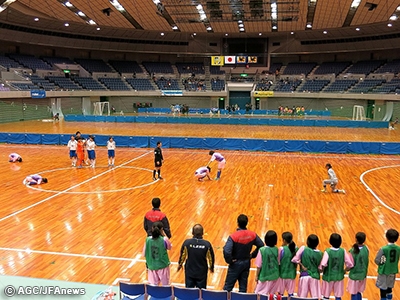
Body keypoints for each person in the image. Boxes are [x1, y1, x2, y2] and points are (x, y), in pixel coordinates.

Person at [223, 214, 264, 293]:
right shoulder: (252, 235)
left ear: (237, 223)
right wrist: (252, 255)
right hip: (246, 262)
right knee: (243, 288)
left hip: (235, 263)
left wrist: (230, 260)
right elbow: (261, 245)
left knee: (228, 288)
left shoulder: (233, 236)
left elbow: (226, 251)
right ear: (247, 223)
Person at [177, 224, 215, 289]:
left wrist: (180, 265)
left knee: (189, 291)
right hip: (201, 272)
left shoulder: (187, 243)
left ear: (192, 233)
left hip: (190, 272)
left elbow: (182, 256)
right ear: (202, 233)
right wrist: (211, 267)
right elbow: (211, 258)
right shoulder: (207, 244)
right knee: (201, 292)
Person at [319, 233, 354, 300]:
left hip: (328, 277)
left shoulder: (328, 251)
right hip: (339, 277)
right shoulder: (343, 251)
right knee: (338, 296)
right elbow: (350, 264)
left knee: (326, 296)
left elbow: (323, 264)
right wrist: (344, 271)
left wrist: (321, 270)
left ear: (330, 241)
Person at [291, 234, 322, 298]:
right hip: (315, 277)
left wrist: (301, 264)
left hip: (304, 276)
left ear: (307, 242)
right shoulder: (320, 253)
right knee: (315, 297)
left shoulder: (303, 248)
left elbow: (294, 259)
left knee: (302, 297)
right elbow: (320, 268)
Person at [143, 221, 172, 286]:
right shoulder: (164, 239)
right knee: (165, 285)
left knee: (153, 286)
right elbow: (169, 247)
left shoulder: (147, 240)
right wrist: (164, 234)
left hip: (151, 266)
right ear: (162, 230)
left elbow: (144, 254)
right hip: (162, 265)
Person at [375, 228, 400, 300]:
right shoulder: (398, 248)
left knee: (383, 289)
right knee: (390, 288)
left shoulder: (383, 249)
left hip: (384, 271)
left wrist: (381, 263)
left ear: (386, 237)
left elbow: (377, 260)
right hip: (393, 270)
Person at [254, 230, 280, 296]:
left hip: (264, 277)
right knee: (271, 295)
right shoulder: (277, 249)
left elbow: (259, 265)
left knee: (259, 295)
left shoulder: (262, 250)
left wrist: (257, 276)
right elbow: (279, 262)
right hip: (275, 276)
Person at [347, 232, 369, 300]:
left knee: (354, 293)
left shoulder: (353, 251)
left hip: (354, 275)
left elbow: (350, 265)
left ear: (356, 239)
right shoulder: (366, 249)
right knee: (359, 292)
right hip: (363, 275)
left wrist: (345, 270)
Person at [278, 232, 298, 298]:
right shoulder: (296, 248)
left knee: (280, 295)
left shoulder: (281, 249)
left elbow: (278, 262)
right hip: (292, 275)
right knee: (291, 294)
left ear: (284, 240)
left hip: (282, 275)